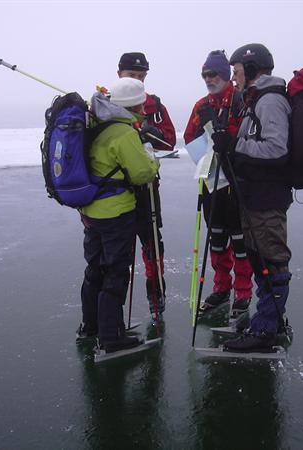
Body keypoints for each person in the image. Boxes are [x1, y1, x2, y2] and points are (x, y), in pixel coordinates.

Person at [212, 43, 293, 352]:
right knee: (260, 258)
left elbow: (276, 148)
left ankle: (265, 331)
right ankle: (267, 319)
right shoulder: (255, 99)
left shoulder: (270, 101)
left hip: (266, 196)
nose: (233, 78)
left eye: (236, 72)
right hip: (255, 195)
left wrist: (234, 145)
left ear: (252, 69)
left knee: (271, 261)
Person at [77, 77, 159, 353]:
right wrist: (152, 158)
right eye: (141, 105)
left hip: (91, 211)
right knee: (115, 272)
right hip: (116, 213)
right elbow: (142, 173)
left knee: (94, 269)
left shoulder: (96, 124)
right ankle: (111, 337)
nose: (145, 110)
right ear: (132, 106)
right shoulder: (124, 133)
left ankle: (90, 326)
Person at [183, 50, 253, 318]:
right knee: (218, 239)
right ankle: (222, 289)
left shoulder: (241, 100)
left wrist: (231, 149)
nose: (208, 79)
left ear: (225, 75)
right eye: (204, 75)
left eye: (212, 74)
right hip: (213, 180)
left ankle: (243, 292)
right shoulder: (202, 106)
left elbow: (249, 136)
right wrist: (207, 160)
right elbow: (190, 136)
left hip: (238, 181)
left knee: (240, 241)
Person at [117, 52, 176, 320]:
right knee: (120, 249)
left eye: (141, 76)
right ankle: (111, 313)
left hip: (148, 189)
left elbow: (170, 142)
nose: (137, 81)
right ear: (120, 75)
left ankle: (156, 297)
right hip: (116, 190)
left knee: (152, 244)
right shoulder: (107, 104)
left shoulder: (154, 105)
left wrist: (151, 134)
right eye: (132, 76)